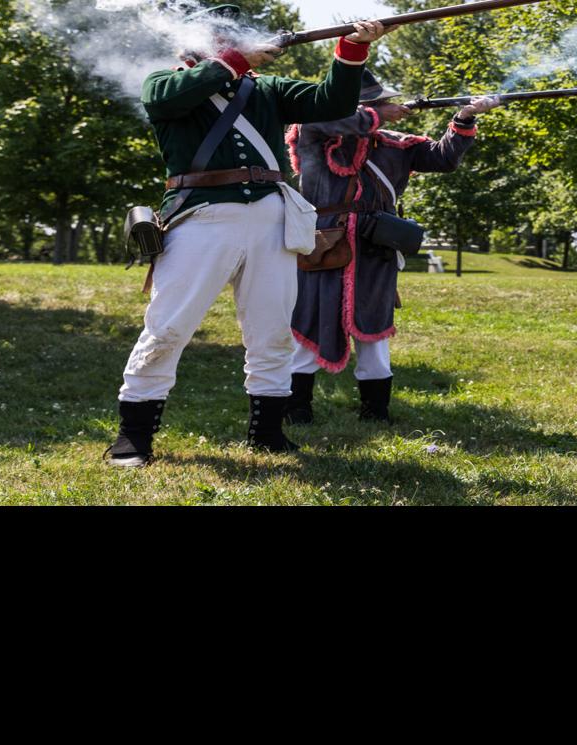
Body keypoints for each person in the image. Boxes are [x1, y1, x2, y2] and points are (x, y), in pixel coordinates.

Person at [105, 5, 389, 467]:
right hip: (201, 217)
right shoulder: (165, 82)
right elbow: (168, 100)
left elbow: (332, 104)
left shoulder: (266, 90)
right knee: (168, 328)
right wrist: (237, 61)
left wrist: (353, 49)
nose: (230, 43)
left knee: (272, 332)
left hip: (272, 219)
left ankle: (268, 433)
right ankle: (134, 438)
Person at [284, 73, 501, 423]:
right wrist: (377, 115)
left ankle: (375, 413)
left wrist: (465, 117)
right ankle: (296, 411)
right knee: (310, 325)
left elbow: (443, 159)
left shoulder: (395, 144)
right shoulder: (314, 132)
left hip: (375, 248)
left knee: (373, 329)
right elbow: (324, 119)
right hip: (322, 246)